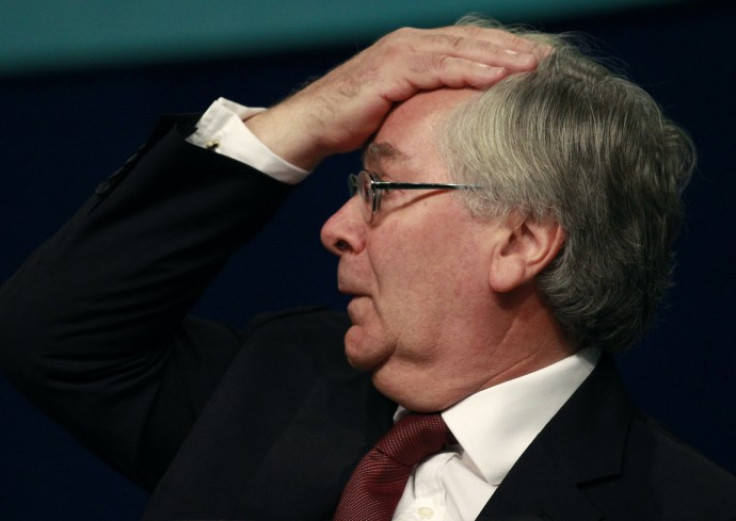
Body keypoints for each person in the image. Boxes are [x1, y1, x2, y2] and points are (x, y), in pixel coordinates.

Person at [1, 17, 735, 521]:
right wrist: (317, 110)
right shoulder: (271, 384)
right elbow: (50, 328)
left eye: (380, 191)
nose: (335, 229)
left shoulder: (680, 504)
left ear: (520, 241)